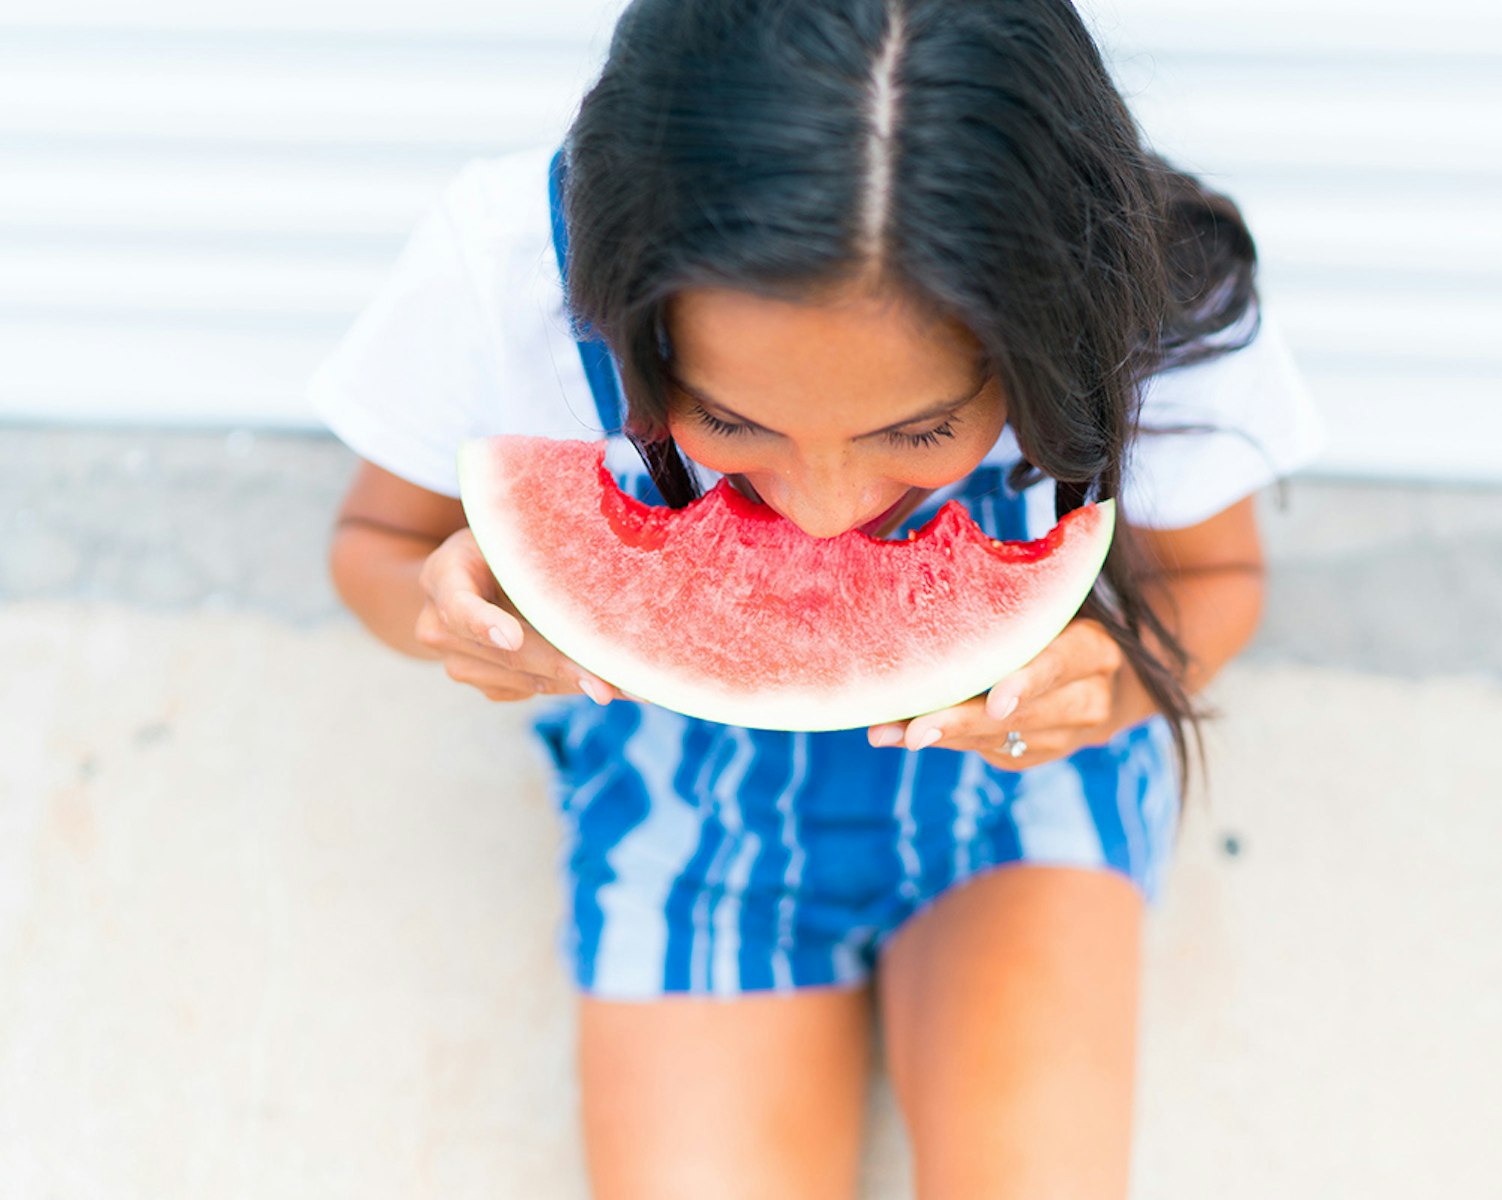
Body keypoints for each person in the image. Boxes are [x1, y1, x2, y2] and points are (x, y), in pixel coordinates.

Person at [315, 1, 1326, 1196]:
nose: (828, 508)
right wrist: (450, 617)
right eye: (734, 422)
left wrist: (1103, 694)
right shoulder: (508, 271)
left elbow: (1218, 577)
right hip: (685, 811)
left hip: (1024, 792)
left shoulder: (1145, 286)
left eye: (921, 430)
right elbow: (377, 544)